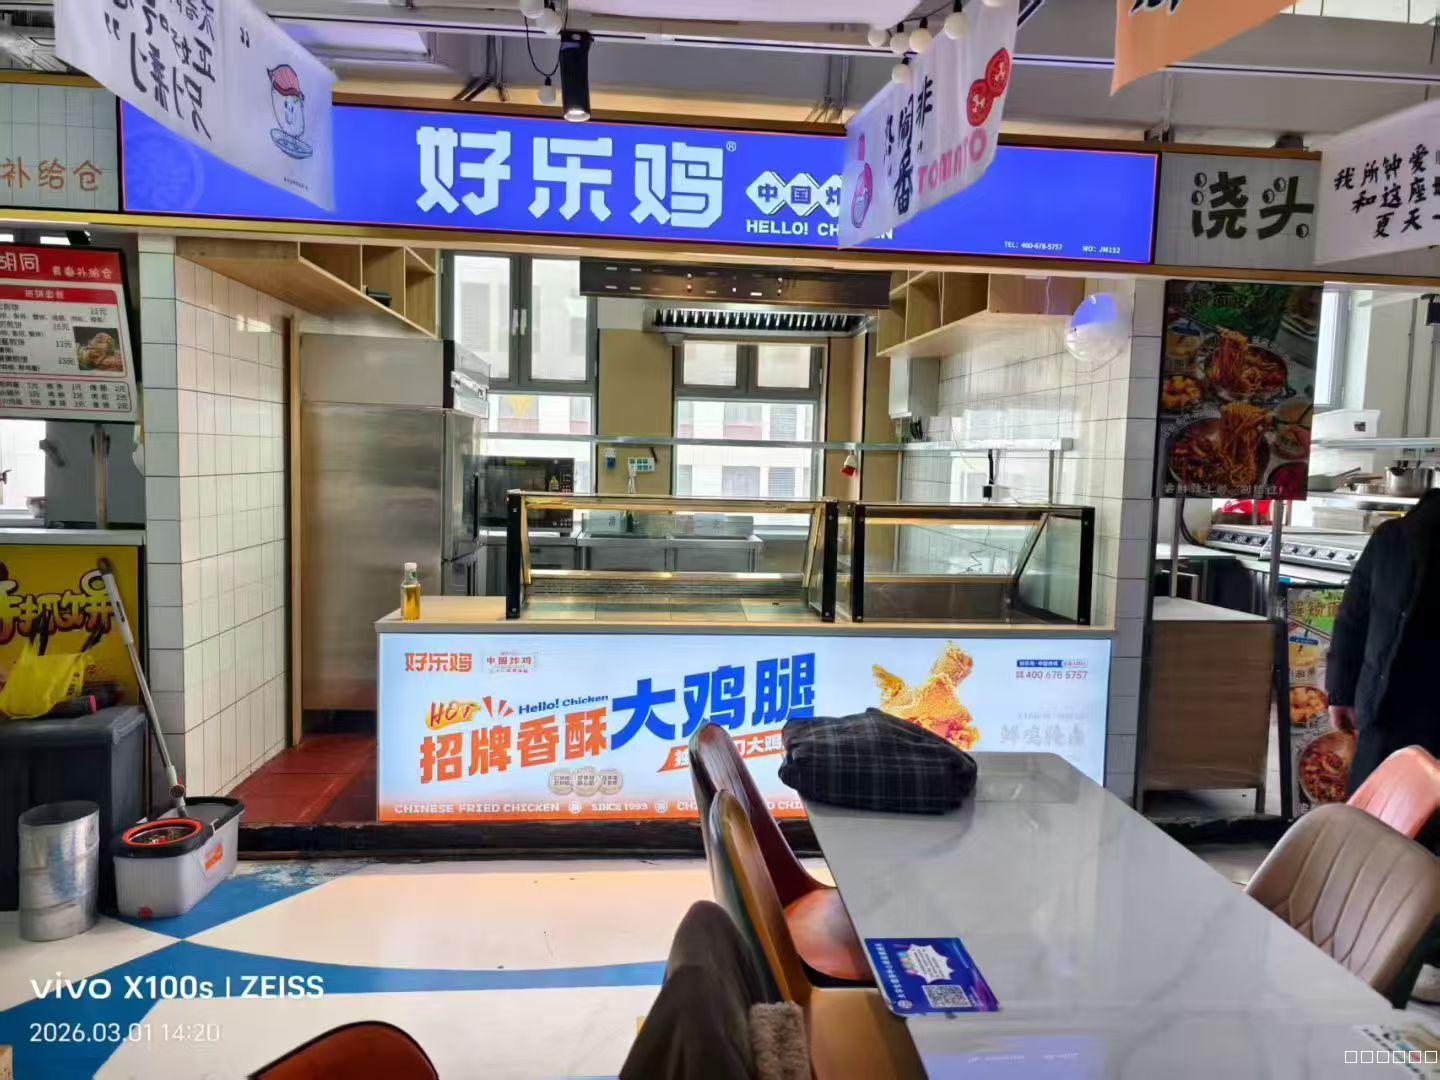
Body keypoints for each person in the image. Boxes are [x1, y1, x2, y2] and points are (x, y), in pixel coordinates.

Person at [1329, 488, 1440, 790]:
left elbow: (1352, 618)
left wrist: (1340, 692)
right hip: (1396, 706)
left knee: (1374, 803)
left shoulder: (1391, 535)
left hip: (1383, 702)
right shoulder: (1392, 537)